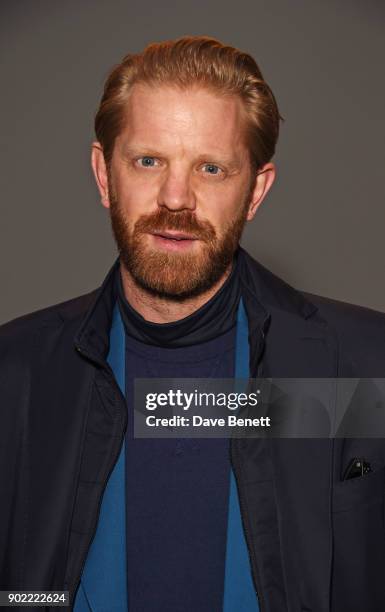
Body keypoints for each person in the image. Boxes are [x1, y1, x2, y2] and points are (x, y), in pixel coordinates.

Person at [1, 35, 384, 612]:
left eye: (211, 167)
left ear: (255, 190)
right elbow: (22, 593)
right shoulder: (15, 373)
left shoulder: (368, 363)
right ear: (105, 174)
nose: (175, 197)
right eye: (148, 160)